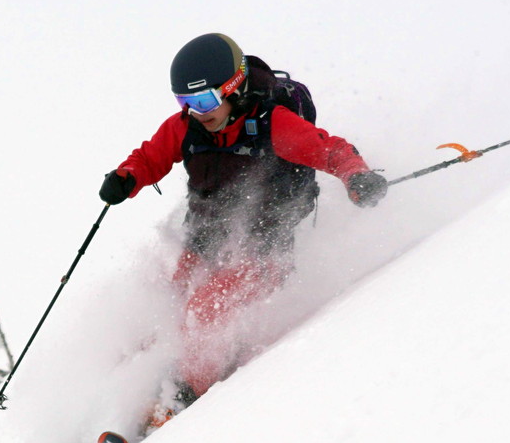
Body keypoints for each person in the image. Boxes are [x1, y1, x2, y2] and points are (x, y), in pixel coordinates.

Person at [99, 33, 387, 416]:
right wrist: (126, 177)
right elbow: (151, 156)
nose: (197, 111)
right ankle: (123, 396)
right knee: (165, 305)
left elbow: (330, 149)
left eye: (203, 101)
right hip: (205, 239)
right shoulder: (186, 127)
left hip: (265, 249)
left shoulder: (273, 126)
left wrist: (356, 176)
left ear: (231, 88)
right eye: (186, 102)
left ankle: (186, 399)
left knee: (206, 307)